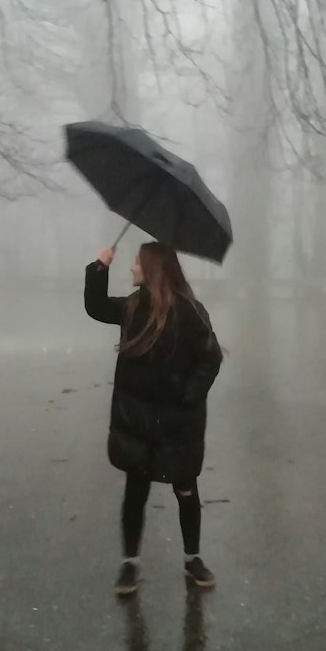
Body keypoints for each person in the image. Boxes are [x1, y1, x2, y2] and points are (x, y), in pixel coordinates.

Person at [84, 241, 223, 596]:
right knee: (136, 491)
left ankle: (193, 559)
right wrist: (99, 268)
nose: (131, 268)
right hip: (139, 424)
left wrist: (188, 396)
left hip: (178, 426)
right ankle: (130, 563)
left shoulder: (190, 312)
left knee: (186, 491)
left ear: (152, 268)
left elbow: (211, 358)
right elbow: (96, 307)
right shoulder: (133, 308)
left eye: (135, 262)